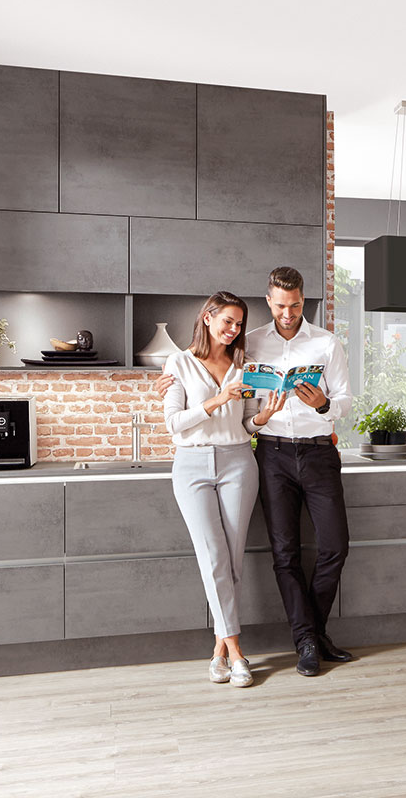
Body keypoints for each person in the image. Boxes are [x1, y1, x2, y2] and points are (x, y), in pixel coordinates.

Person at [161, 291, 287, 688]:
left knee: (231, 559)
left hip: (238, 462)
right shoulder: (179, 362)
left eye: (239, 324)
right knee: (213, 555)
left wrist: (264, 417)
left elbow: (247, 424)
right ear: (207, 318)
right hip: (192, 464)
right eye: (227, 321)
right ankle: (236, 651)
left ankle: (218, 652)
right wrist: (217, 400)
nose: (233, 330)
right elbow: (174, 424)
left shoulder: (244, 366)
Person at [241, 267, 355, 677]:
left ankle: (312, 632)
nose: (287, 313)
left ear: (302, 301)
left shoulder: (326, 343)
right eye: (280, 305)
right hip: (271, 456)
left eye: (294, 305)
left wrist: (325, 404)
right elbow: (242, 411)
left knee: (335, 546)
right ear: (268, 301)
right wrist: (259, 419)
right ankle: (309, 641)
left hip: (320, 454)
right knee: (284, 553)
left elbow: (345, 399)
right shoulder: (251, 343)